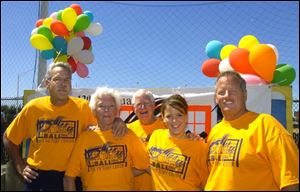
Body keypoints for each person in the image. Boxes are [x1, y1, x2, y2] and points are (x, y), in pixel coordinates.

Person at [2, 62, 127, 191]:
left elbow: (105, 121)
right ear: (47, 83)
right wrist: (19, 165)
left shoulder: (83, 107)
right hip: (38, 178)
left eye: (67, 79)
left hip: (72, 178)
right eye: (57, 79)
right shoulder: (33, 107)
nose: (63, 84)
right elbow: (8, 138)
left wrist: (117, 120)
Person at [205, 71, 299, 191]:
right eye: (221, 92)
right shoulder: (215, 131)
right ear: (216, 99)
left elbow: (291, 183)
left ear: (244, 95)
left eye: (233, 91)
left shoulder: (267, 125)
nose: (226, 96)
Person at [63, 87, 150, 190]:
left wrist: (126, 174)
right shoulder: (84, 138)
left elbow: (147, 165)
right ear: (94, 111)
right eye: (101, 106)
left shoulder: (128, 134)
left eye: (111, 106)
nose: (106, 110)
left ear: (117, 111)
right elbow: (69, 177)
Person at [147, 94, 209, 190]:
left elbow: (206, 184)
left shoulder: (199, 146)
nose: (174, 120)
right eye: (169, 116)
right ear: (163, 118)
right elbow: (144, 163)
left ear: (186, 116)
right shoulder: (156, 136)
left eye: (179, 115)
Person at [127, 89, 167, 191]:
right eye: (139, 104)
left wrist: (141, 165)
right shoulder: (127, 130)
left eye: (146, 103)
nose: (142, 107)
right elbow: (126, 168)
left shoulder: (166, 127)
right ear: (134, 108)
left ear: (154, 106)